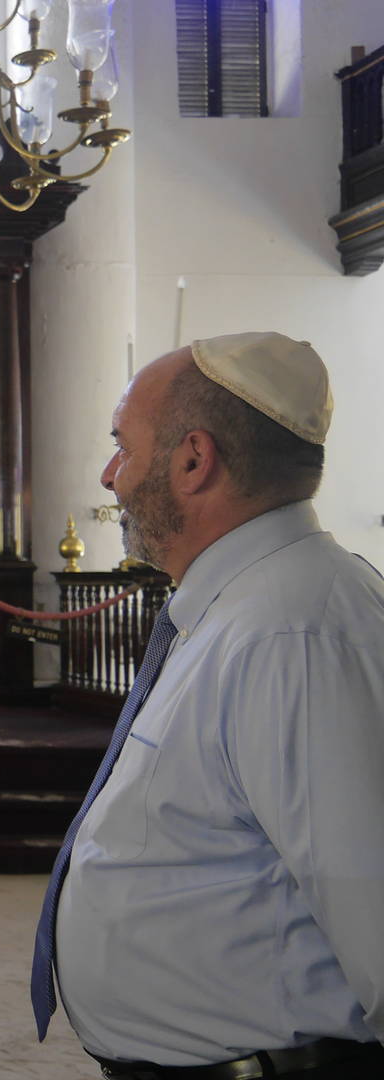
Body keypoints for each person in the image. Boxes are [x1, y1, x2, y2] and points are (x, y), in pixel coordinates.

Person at [32, 332, 384, 1078]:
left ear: (194, 460)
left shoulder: (294, 629)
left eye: (122, 448)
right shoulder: (242, 606)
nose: (109, 476)